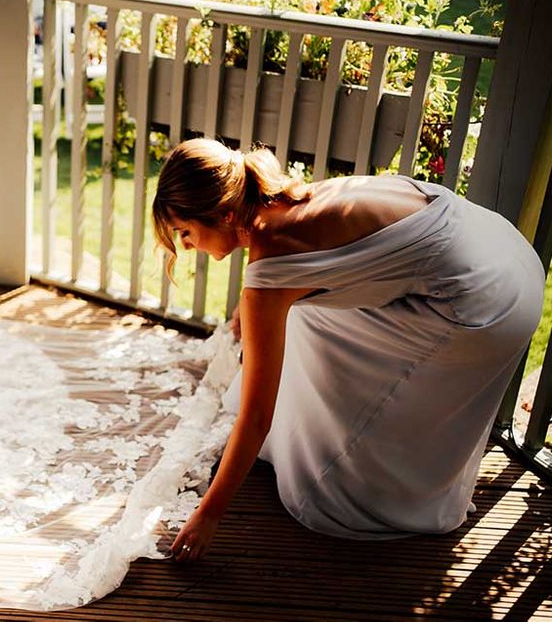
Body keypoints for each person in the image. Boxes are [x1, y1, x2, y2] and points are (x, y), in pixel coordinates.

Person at [151, 138, 544, 560]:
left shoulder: (268, 275)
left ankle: (369, 482)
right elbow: (293, 270)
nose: (188, 246)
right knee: (301, 315)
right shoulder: (289, 198)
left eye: (185, 232)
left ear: (226, 214)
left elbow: (256, 417)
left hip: (485, 307)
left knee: (316, 489)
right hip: (512, 252)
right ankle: (307, 432)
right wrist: (248, 310)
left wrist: (209, 513)